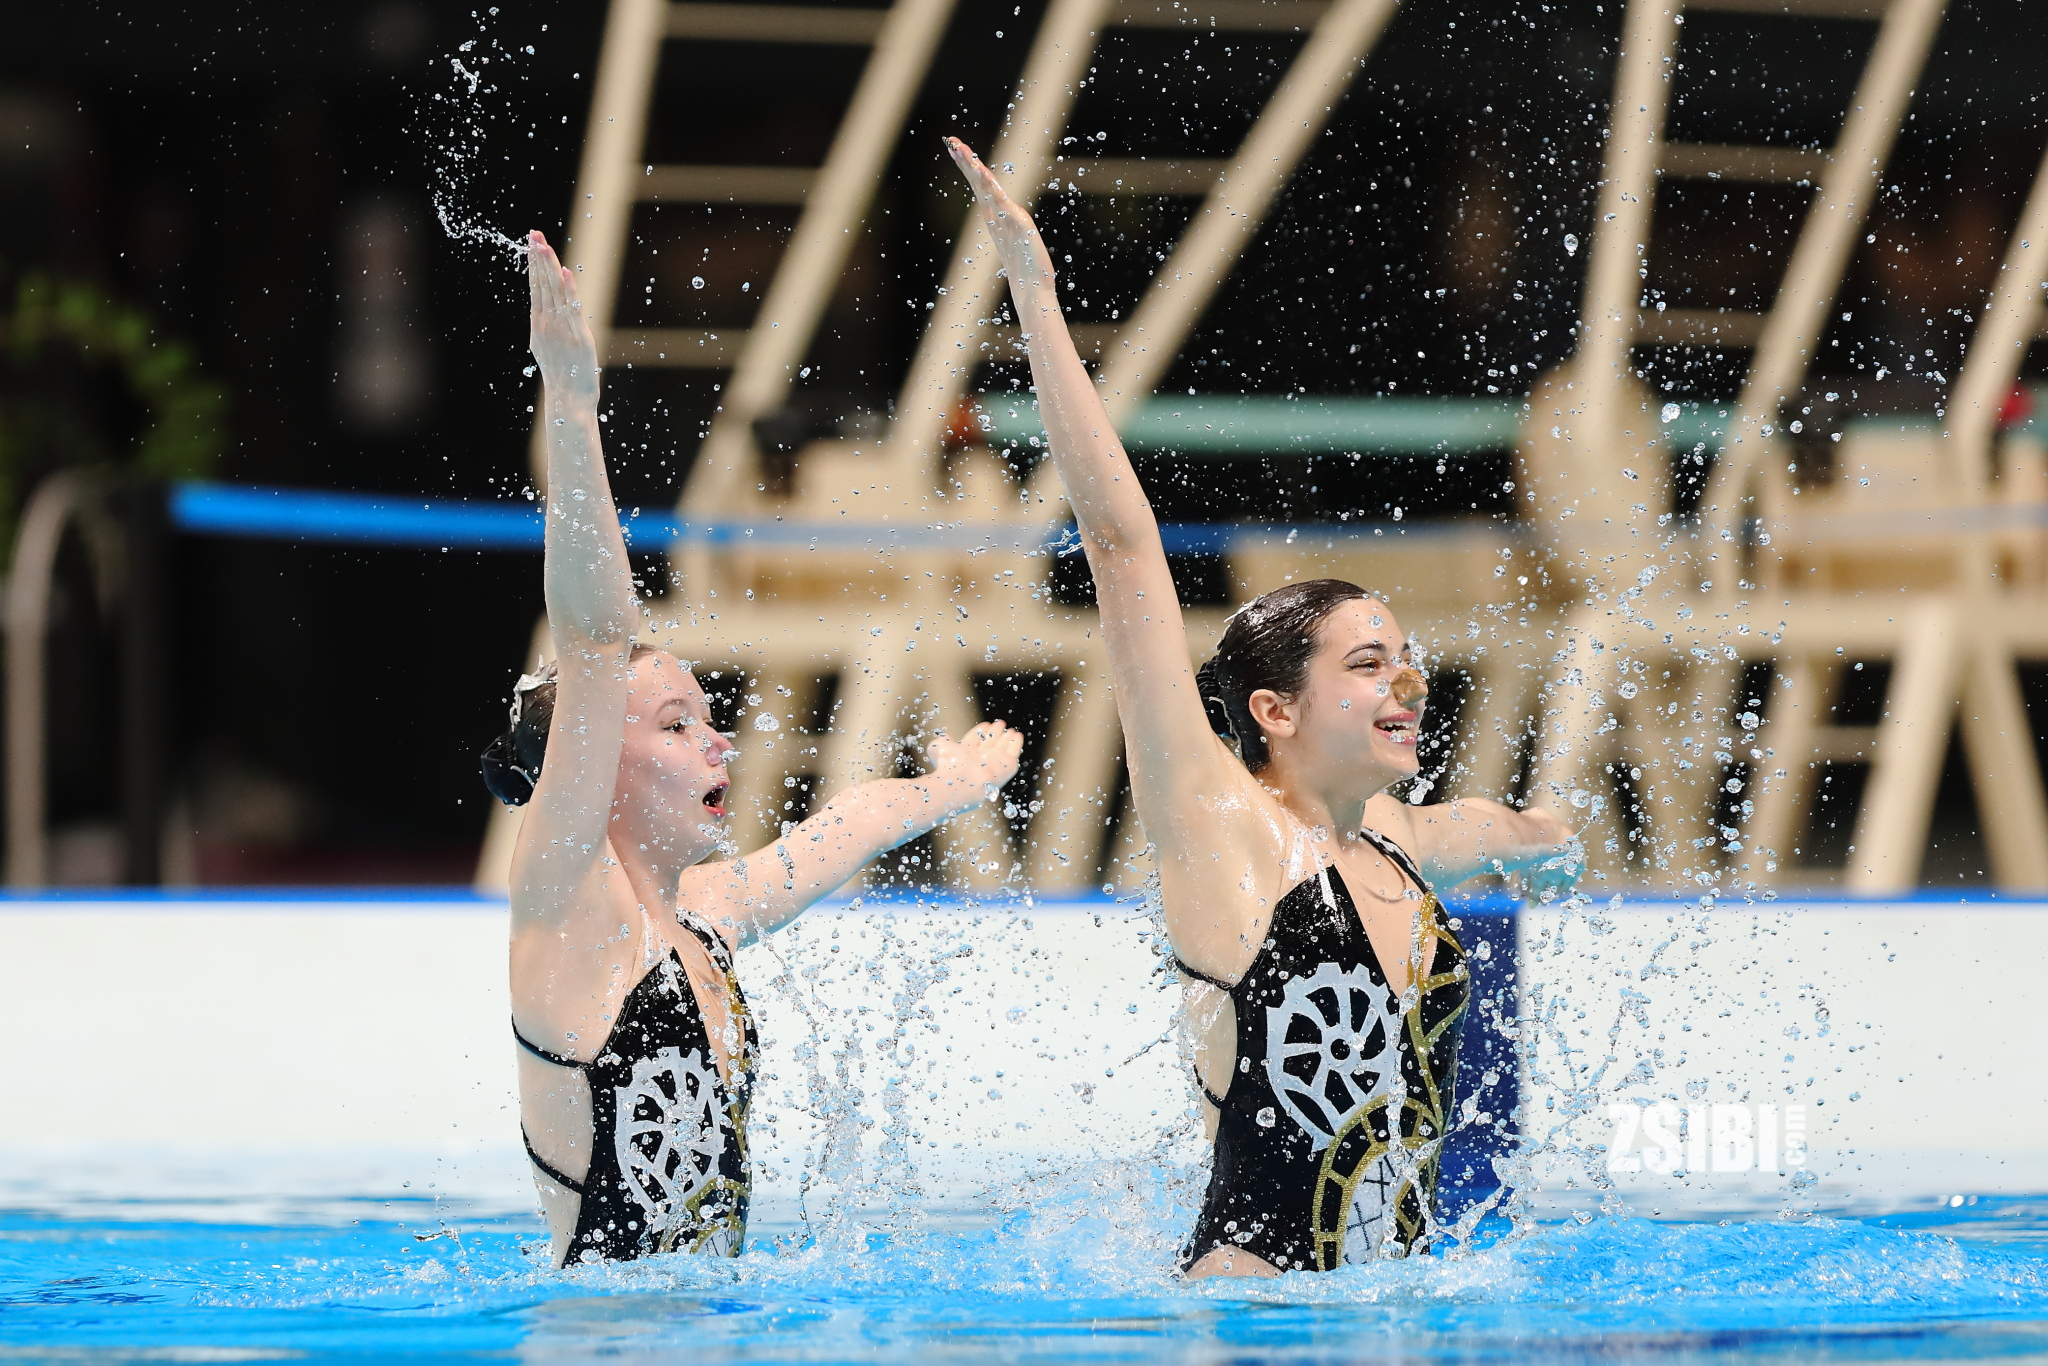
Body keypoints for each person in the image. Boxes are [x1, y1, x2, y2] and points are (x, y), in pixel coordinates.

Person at [943, 141, 1582, 1277]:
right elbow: (1121, 545)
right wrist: (1035, 297)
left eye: (1406, 661)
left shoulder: (1404, 845)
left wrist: (1550, 851)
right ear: (1274, 711)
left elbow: (1512, 832)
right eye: (1368, 663)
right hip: (1247, 1325)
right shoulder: (1220, 827)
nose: (1406, 683)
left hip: (1389, 1324)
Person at [484, 231, 1024, 1268]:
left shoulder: (713, 911)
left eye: (705, 715)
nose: (715, 738)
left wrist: (952, 784)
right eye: (674, 725)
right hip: (602, 1337)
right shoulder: (568, 908)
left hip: (707, 1323)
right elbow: (595, 637)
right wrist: (572, 405)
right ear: (588, 768)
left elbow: (846, 825)